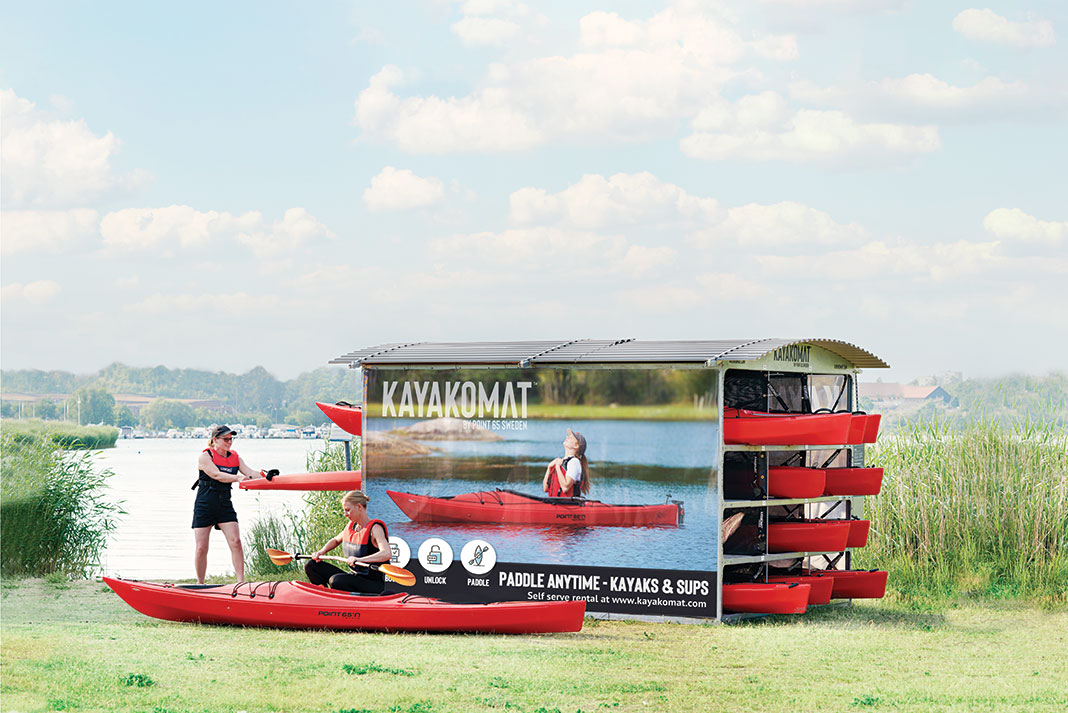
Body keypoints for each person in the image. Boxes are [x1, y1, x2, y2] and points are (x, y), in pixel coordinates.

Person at [192, 425, 259, 584]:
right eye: (226, 439)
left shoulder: (235, 457)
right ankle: (200, 583)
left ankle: (240, 582)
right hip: (205, 504)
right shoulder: (205, 456)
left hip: (224, 504)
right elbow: (216, 474)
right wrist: (237, 478)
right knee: (201, 548)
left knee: (235, 541)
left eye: (231, 439)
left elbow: (250, 473)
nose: (230, 442)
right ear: (215, 440)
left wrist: (267, 475)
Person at [305, 490, 391, 594]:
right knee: (312, 565)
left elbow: (386, 553)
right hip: (354, 577)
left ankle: (337, 599)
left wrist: (360, 559)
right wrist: (321, 552)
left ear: (359, 507)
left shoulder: (375, 529)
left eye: (348, 510)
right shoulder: (352, 526)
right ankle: (323, 596)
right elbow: (336, 540)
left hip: (373, 584)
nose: (345, 514)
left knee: (336, 581)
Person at [542, 427, 591, 498]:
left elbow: (565, 488)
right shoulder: (561, 461)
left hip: (567, 505)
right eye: (568, 436)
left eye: (571, 438)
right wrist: (549, 468)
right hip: (555, 503)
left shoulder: (574, 462)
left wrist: (558, 467)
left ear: (576, 446)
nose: (567, 437)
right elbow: (545, 488)